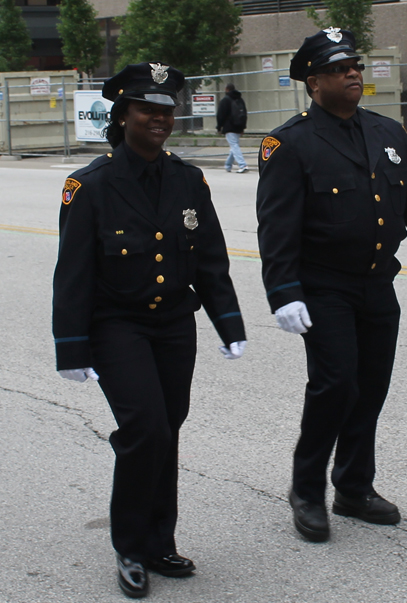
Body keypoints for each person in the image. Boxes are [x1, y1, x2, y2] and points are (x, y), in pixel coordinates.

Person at [256, 28, 407, 543]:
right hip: (323, 286)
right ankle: (306, 489)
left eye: (353, 65)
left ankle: (353, 486)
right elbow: (277, 227)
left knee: (370, 389)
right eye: (337, 69)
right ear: (313, 83)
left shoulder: (387, 133)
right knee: (335, 384)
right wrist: (284, 291)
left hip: (377, 285)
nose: (352, 73)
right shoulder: (289, 143)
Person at [53, 62, 246, 598]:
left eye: (166, 110)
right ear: (124, 116)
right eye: (147, 110)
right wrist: (70, 344)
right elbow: (73, 273)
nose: (160, 119)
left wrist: (228, 322)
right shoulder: (89, 186)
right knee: (146, 431)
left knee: (169, 427)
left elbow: (210, 259)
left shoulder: (187, 180)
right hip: (117, 325)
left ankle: (161, 540)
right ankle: (131, 546)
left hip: (173, 325)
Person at [216, 83, 249, 173]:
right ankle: (228, 165)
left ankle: (242, 165)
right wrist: (243, 128)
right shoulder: (240, 99)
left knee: (234, 146)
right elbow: (244, 114)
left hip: (229, 127)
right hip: (238, 126)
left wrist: (219, 127)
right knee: (234, 146)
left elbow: (220, 115)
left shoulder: (225, 100)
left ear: (226, 89)